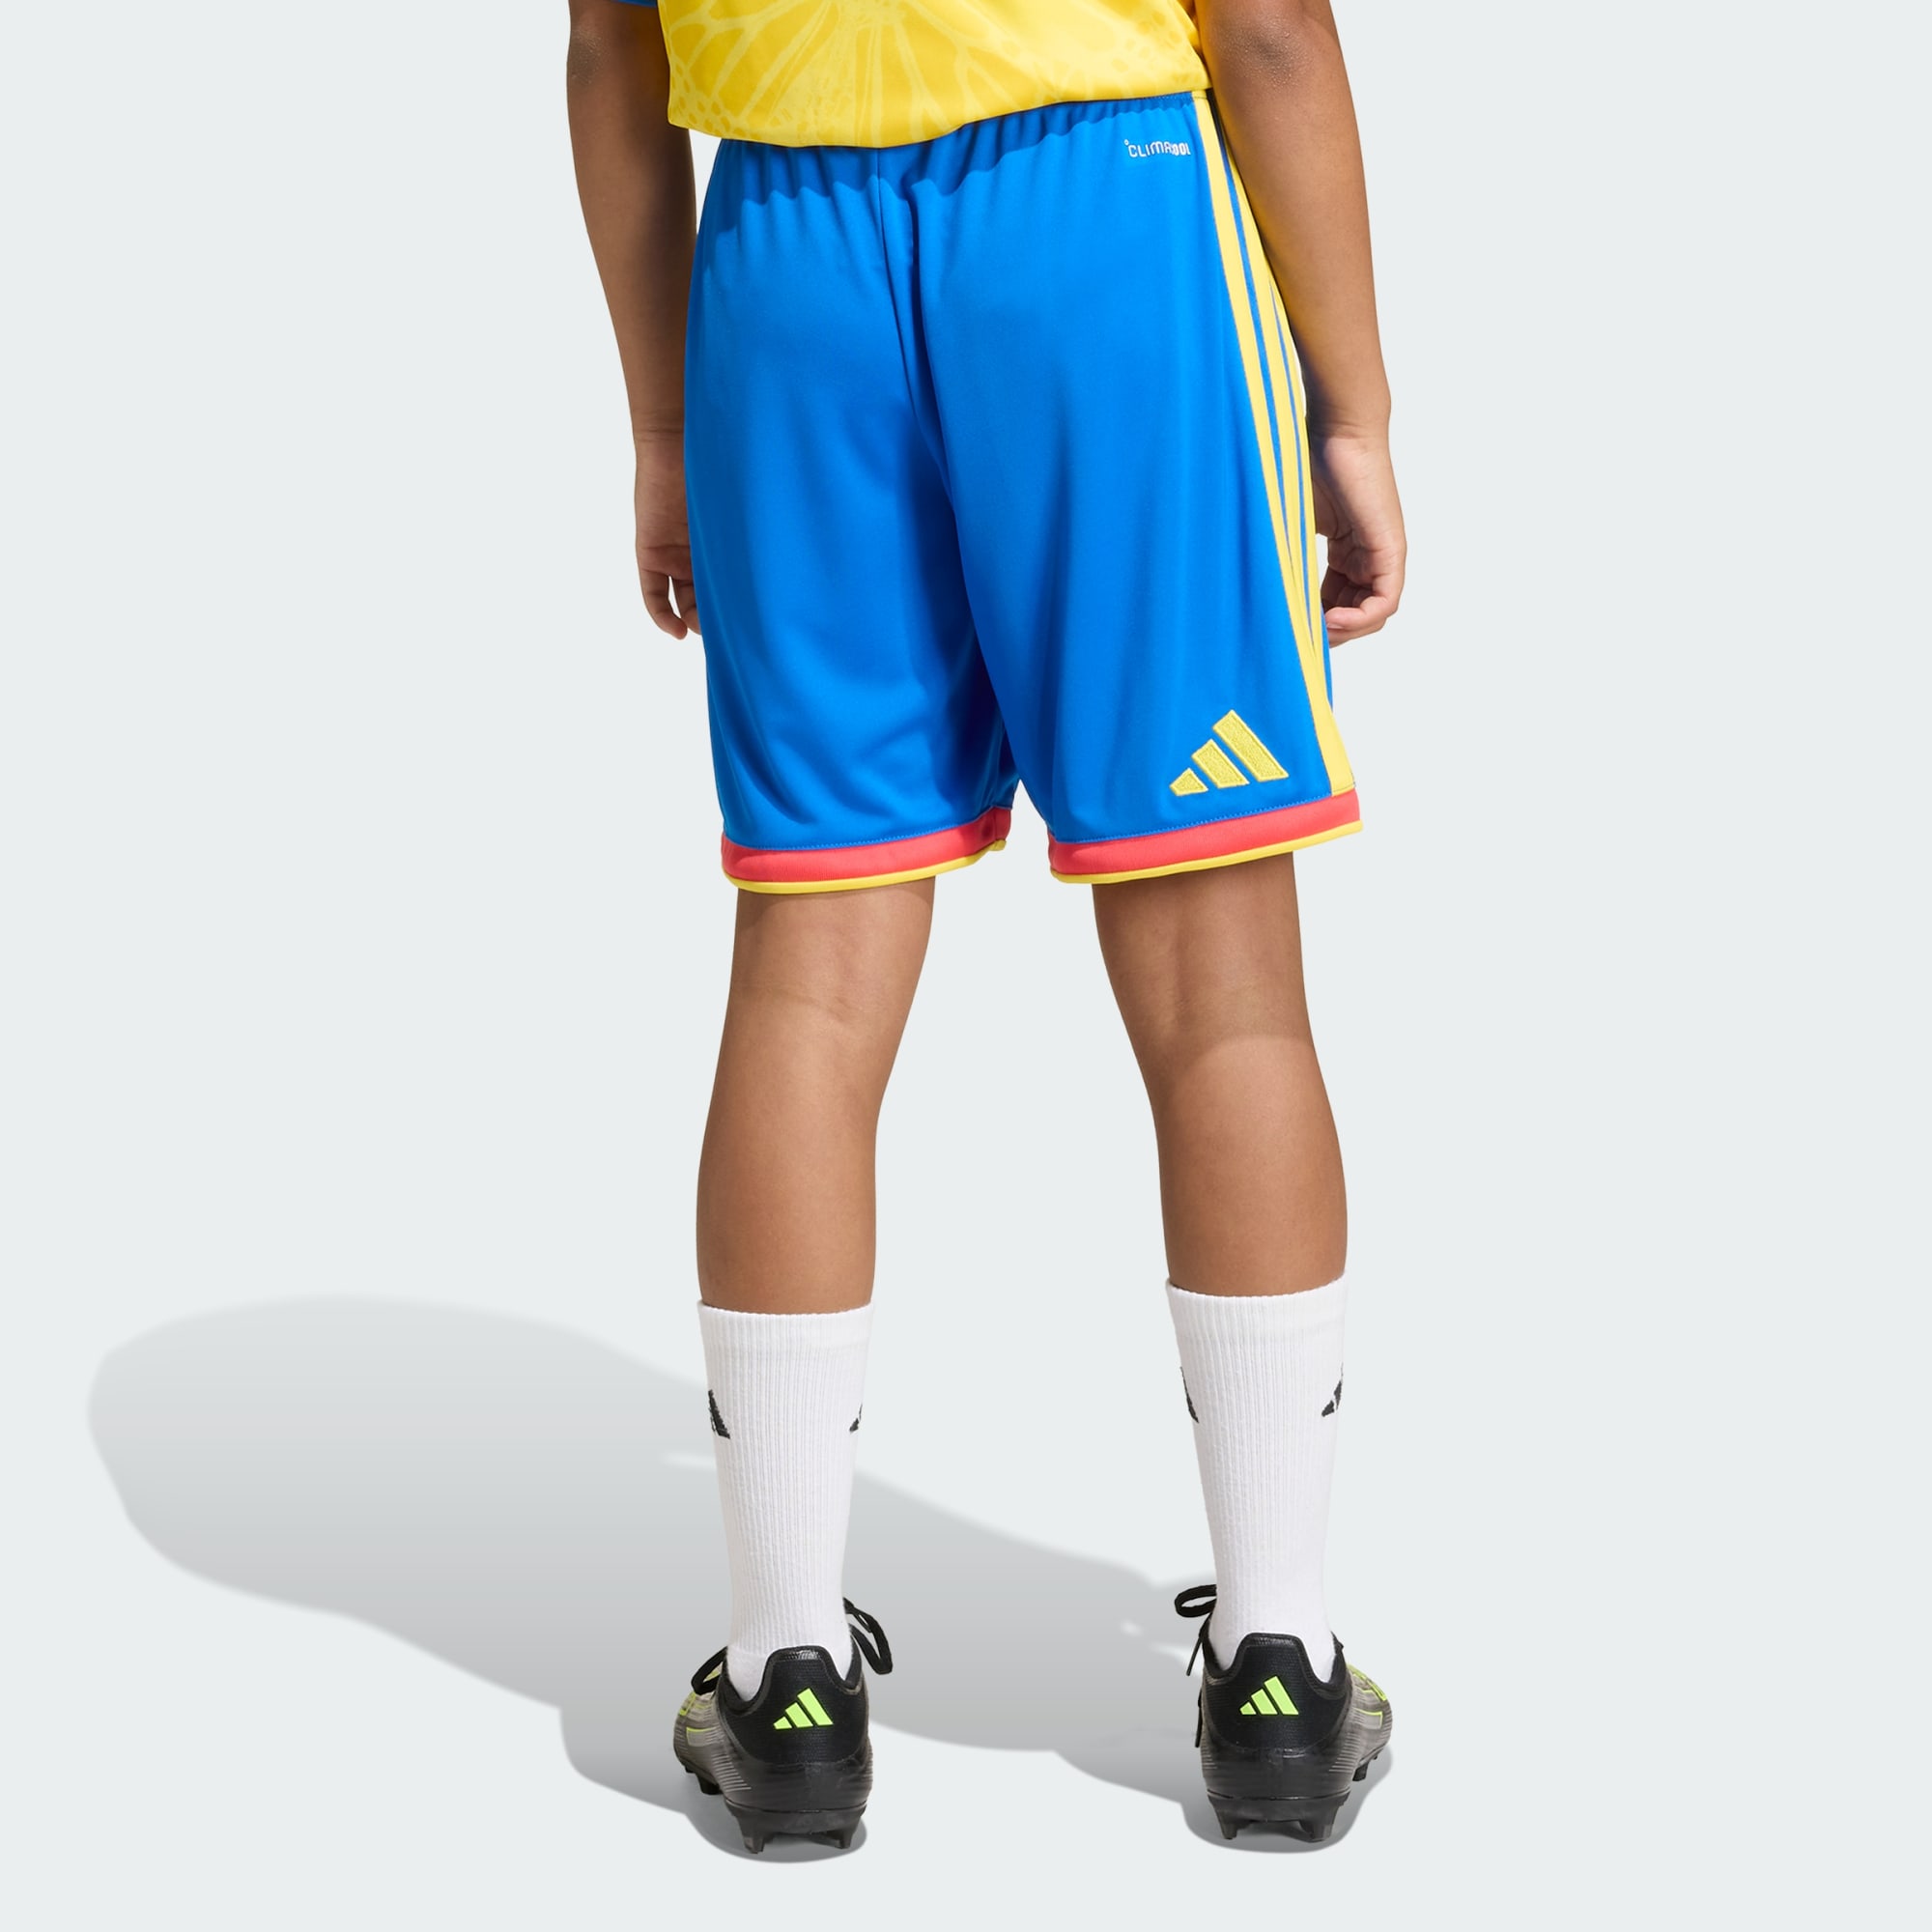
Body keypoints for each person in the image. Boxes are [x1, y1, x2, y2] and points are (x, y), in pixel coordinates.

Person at [565, 0, 1405, 1852]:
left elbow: (612, 51)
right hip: (1106, 219)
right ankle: (1278, 1664)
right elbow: (1268, 26)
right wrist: (1352, 406)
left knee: (810, 979)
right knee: (1222, 986)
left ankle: (785, 1675)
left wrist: (663, 424)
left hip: (783, 253)